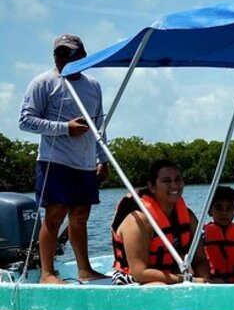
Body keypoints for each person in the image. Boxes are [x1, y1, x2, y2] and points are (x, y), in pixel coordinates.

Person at [19, 34, 109, 284]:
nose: (62, 58)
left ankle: (85, 269)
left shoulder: (93, 86)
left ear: (82, 56)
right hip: (54, 161)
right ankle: (47, 273)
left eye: (68, 53)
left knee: (80, 217)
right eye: (58, 53)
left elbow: (99, 124)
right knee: (55, 215)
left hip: (85, 163)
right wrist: (65, 127)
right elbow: (25, 121)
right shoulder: (42, 82)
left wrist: (103, 158)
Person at [111, 159, 210, 285]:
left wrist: (205, 280)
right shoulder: (138, 221)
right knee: (160, 287)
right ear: (152, 187)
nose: (174, 186)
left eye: (178, 179)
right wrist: (186, 279)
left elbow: (200, 259)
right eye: (166, 181)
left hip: (172, 275)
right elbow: (139, 273)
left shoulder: (188, 216)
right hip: (134, 278)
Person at [200, 185, 234, 283]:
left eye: (229, 208)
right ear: (209, 211)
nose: (224, 213)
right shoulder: (202, 239)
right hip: (213, 286)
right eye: (218, 208)